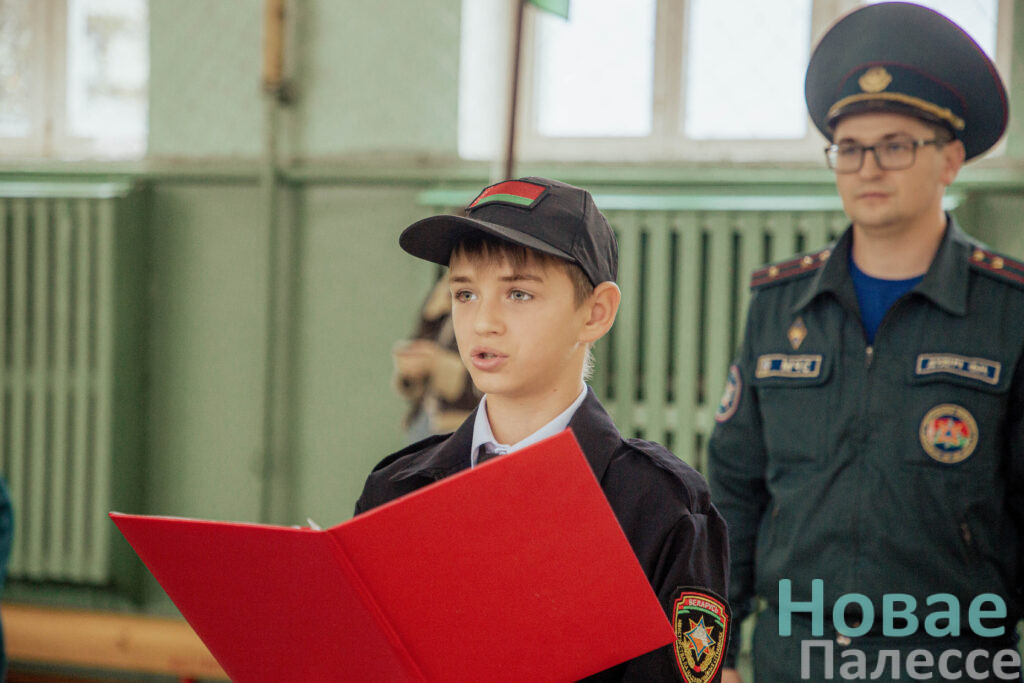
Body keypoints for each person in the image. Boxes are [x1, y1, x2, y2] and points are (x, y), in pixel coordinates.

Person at [708, 3, 1023, 681]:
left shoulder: (1009, 311)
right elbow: (732, 490)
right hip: (797, 656)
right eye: (849, 148)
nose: (868, 168)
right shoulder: (779, 304)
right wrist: (715, 656)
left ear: (950, 159)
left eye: (895, 145)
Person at [357, 177, 731, 681]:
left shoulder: (659, 506)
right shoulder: (395, 491)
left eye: (518, 293)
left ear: (595, 313)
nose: (483, 322)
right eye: (465, 293)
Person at [391, 273, 479, 442]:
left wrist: (437, 364)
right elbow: (419, 338)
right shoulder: (440, 297)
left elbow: (481, 385)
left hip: (458, 423)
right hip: (423, 418)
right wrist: (411, 367)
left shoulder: (481, 313)